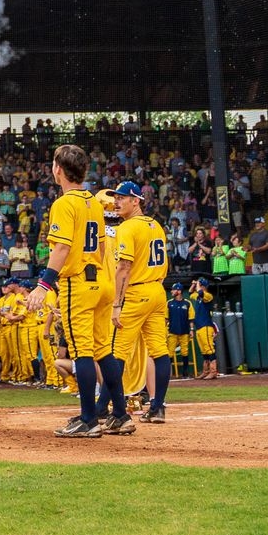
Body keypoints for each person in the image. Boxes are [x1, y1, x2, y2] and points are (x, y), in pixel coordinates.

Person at [25, 145, 124, 438]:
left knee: (82, 352)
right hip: (101, 279)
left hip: (78, 283)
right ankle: (120, 414)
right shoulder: (95, 202)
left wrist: (43, 285)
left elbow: (62, 248)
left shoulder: (64, 203)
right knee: (103, 350)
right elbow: (104, 246)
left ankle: (88, 419)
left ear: (58, 169)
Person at [110, 181, 171, 427]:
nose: (116, 201)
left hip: (136, 293)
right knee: (159, 351)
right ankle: (157, 407)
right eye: (116, 197)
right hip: (157, 290)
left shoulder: (128, 227)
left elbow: (124, 267)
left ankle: (113, 411)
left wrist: (117, 304)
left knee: (117, 353)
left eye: (122, 198)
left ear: (136, 201)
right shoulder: (155, 225)